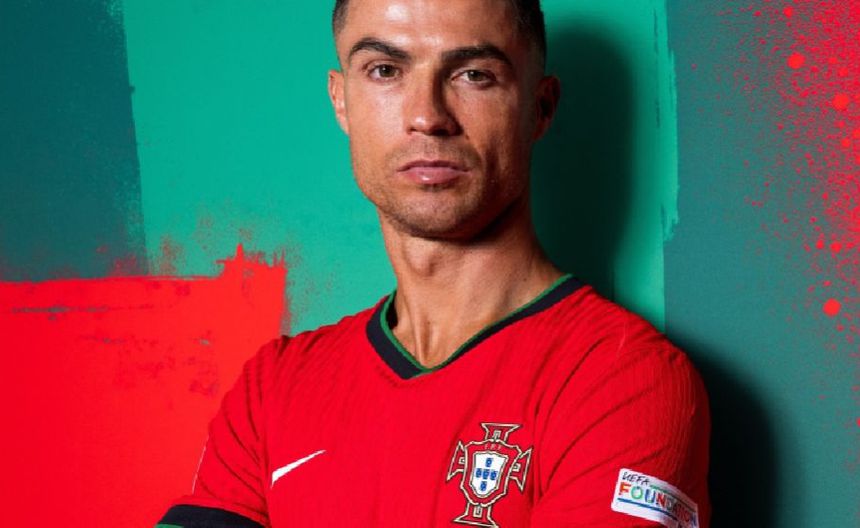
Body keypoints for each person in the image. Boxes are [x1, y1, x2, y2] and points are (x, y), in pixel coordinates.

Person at [157, 0, 710, 526]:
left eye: (474, 75)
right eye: (384, 70)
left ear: (540, 108)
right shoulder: (273, 390)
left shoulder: (623, 381)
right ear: (341, 100)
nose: (426, 116)